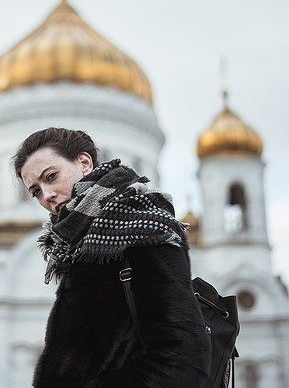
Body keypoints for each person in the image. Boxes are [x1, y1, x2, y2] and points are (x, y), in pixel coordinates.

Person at [12, 127, 211, 388]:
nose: (46, 195)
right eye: (36, 191)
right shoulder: (79, 244)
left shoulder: (142, 231)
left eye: (51, 177)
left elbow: (183, 358)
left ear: (84, 163)